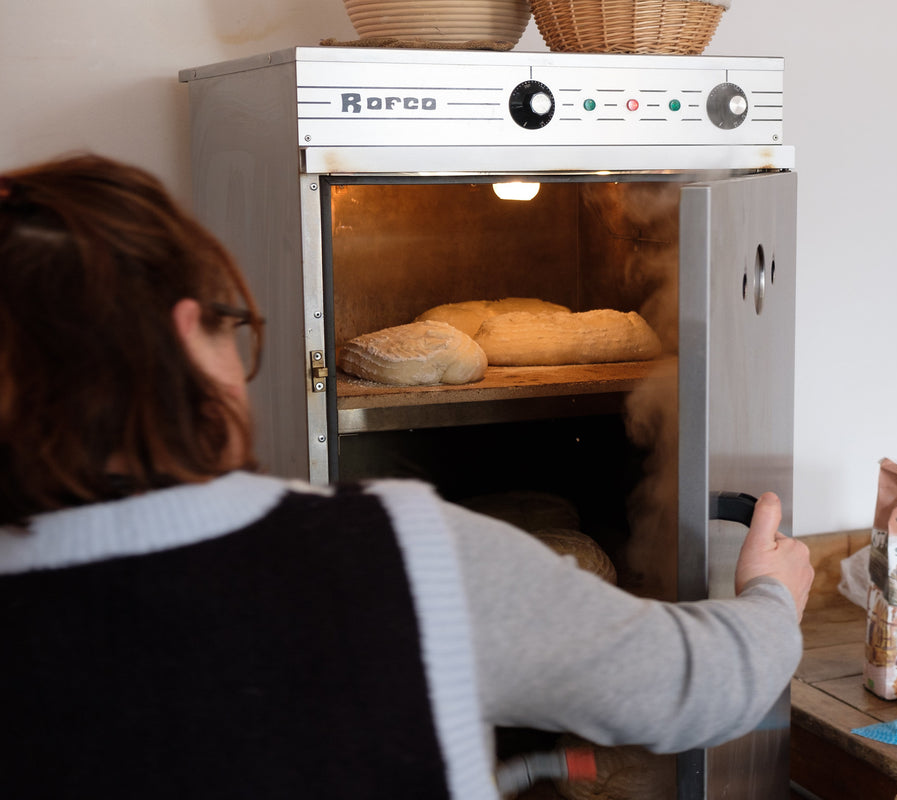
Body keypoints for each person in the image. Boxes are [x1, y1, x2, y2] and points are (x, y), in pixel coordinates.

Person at [0, 153, 814, 799]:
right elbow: (694, 686)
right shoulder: (395, 557)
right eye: (231, 329)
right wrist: (772, 594)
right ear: (186, 338)